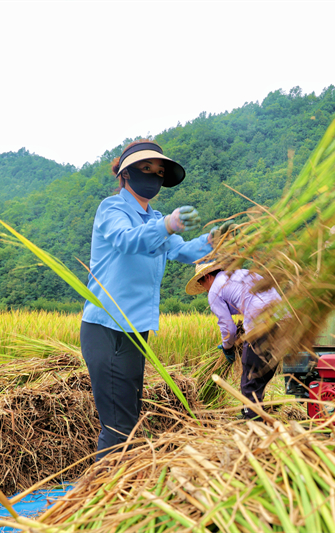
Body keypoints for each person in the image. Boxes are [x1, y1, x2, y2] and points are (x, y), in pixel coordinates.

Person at [81, 139, 225, 461]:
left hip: (136, 330)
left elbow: (182, 251)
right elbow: (127, 241)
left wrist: (212, 240)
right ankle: (103, 496)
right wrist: (167, 225)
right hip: (107, 328)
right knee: (118, 427)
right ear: (127, 174)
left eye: (159, 172)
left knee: (129, 420)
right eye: (146, 169)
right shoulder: (112, 210)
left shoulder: (154, 219)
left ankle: (123, 492)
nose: (154, 176)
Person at [185, 262, 281, 419]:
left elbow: (228, 328)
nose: (204, 289)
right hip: (283, 320)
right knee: (263, 372)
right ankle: (256, 412)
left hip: (261, 323)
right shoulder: (242, 274)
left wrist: (227, 347)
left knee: (250, 375)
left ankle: (251, 420)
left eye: (202, 283)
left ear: (207, 277)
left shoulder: (215, 290)